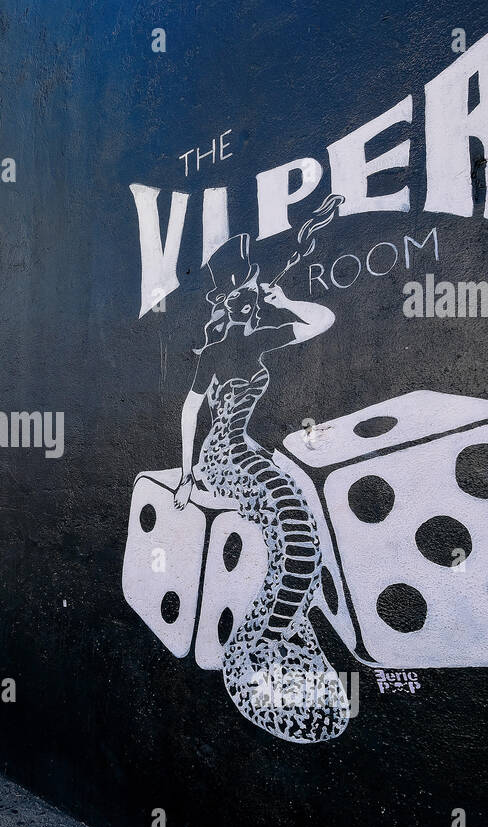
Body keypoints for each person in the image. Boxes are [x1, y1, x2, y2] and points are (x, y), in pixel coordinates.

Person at [173, 233, 349, 743]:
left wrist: (284, 300)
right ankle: (261, 644)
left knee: (298, 528)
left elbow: (323, 320)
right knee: (291, 525)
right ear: (236, 306)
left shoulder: (253, 341)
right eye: (249, 299)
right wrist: (188, 476)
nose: (254, 306)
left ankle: (279, 632)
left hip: (242, 451)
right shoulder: (223, 351)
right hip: (224, 459)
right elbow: (191, 414)